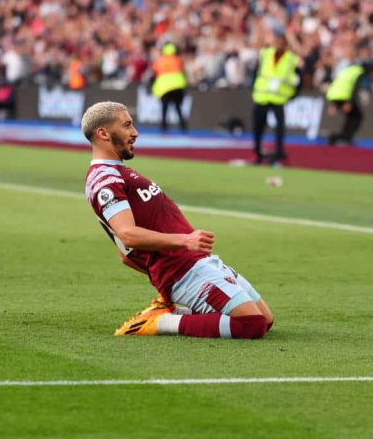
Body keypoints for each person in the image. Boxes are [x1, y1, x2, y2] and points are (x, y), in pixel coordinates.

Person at [81, 101, 274, 339]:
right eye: (127, 125)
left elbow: (125, 254)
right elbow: (127, 234)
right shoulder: (104, 179)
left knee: (266, 320)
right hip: (184, 269)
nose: (135, 132)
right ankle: (161, 322)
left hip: (196, 261)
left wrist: (162, 275)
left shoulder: (117, 172)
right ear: (102, 133)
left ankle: (174, 310)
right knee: (250, 325)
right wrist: (183, 246)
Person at [251, 31, 300, 165]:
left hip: (279, 98)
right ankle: (258, 153)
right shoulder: (265, 54)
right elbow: (256, 72)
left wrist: (292, 95)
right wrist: (253, 89)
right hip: (261, 96)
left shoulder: (291, 59)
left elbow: (297, 78)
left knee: (279, 128)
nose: (278, 44)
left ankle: (279, 153)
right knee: (258, 127)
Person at [326, 62, 366, 146]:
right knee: (357, 117)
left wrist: (333, 103)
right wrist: (349, 102)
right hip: (345, 97)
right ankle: (343, 137)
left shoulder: (346, 71)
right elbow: (355, 88)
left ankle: (344, 137)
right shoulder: (359, 72)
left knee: (351, 118)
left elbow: (337, 84)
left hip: (335, 95)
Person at [151, 42, 188, 132]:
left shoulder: (159, 60)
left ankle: (164, 127)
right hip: (178, 86)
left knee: (165, 108)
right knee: (178, 107)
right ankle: (183, 126)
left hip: (165, 88)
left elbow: (155, 73)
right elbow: (183, 71)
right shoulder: (178, 60)